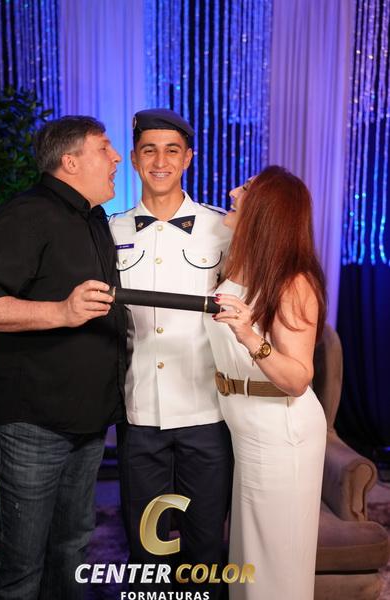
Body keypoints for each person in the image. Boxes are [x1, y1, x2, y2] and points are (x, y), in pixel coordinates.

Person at [0, 116, 126, 600]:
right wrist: (61, 311)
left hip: (86, 422)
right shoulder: (26, 214)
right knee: (21, 570)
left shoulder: (93, 218)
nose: (117, 157)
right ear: (70, 162)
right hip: (32, 424)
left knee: (71, 551)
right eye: (104, 148)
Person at [109, 108, 233, 596]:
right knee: (147, 551)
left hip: (207, 411)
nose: (160, 161)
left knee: (205, 549)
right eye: (149, 150)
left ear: (188, 159)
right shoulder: (110, 230)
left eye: (171, 151)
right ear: (135, 159)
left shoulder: (223, 229)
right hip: (140, 411)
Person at [205, 165, 327, 600]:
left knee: (275, 570)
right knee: (248, 564)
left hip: (282, 434)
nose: (233, 191)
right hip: (248, 432)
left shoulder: (293, 283)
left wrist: (248, 334)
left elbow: (298, 378)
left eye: (246, 188)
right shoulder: (240, 263)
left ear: (266, 210)